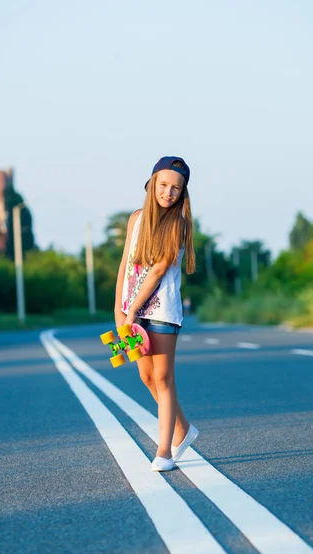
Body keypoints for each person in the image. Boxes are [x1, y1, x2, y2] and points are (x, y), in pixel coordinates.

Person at [114, 156, 199, 472]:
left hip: (161, 313)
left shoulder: (178, 224)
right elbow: (126, 264)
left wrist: (132, 310)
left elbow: (158, 269)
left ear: (182, 193)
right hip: (131, 313)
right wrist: (119, 310)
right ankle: (183, 430)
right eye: (163, 185)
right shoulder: (136, 219)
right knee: (145, 376)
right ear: (151, 184)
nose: (169, 193)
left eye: (176, 188)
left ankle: (164, 451)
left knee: (163, 378)